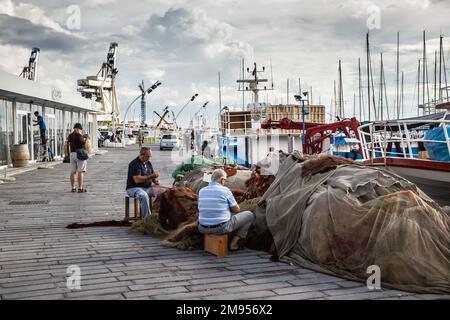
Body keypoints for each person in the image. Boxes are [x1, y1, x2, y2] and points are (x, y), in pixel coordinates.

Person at [198, 168, 255, 251]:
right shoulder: (225, 190)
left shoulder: (201, 191)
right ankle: (233, 244)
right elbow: (237, 210)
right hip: (220, 229)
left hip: (202, 228)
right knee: (249, 215)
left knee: (224, 216)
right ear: (222, 180)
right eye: (224, 180)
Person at [126, 147, 160, 218]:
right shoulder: (134, 164)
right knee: (143, 195)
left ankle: (159, 215)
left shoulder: (148, 163)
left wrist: (155, 181)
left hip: (147, 187)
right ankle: (148, 218)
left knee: (163, 192)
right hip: (134, 188)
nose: (149, 158)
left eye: (150, 156)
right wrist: (151, 176)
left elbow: (152, 176)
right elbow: (137, 180)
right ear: (141, 155)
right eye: (147, 156)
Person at [67, 123, 88, 193]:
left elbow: (69, 143)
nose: (80, 131)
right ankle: (80, 188)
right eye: (80, 129)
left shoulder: (70, 136)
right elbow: (83, 144)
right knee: (80, 171)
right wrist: (85, 139)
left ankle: (73, 188)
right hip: (79, 154)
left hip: (72, 154)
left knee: (73, 172)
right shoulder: (79, 136)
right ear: (77, 129)